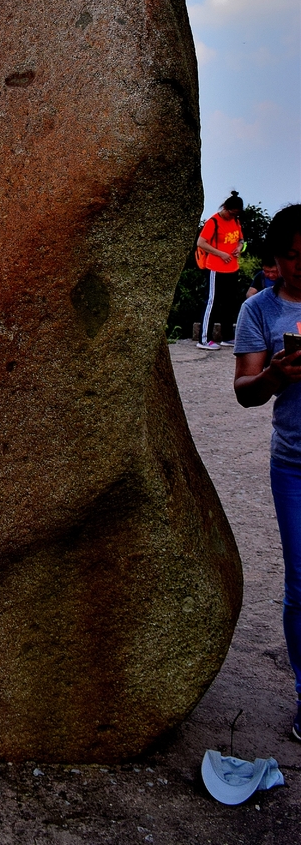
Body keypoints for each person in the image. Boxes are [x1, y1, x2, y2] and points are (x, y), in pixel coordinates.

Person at [233, 203, 301, 744]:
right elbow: (245, 393)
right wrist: (277, 374)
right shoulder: (258, 310)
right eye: (292, 257)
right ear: (276, 259)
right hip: (294, 464)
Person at [196, 191, 245, 350]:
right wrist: (220, 253)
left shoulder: (236, 221)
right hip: (215, 269)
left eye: (236, 214)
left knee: (229, 303)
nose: (233, 216)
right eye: (231, 213)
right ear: (225, 207)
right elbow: (201, 243)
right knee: (212, 303)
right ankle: (204, 339)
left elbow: (241, 239)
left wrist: (239, 247)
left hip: (232, 268)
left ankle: (228, 336)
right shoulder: (213, 222)